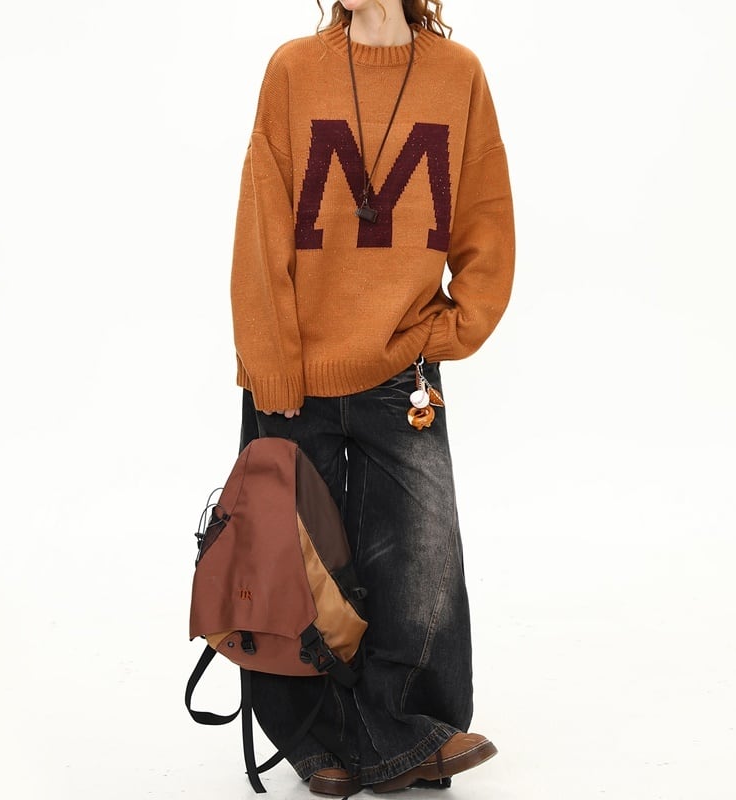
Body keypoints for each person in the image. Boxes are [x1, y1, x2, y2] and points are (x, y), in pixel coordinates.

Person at [231, 0, 515, 795]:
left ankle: (407, 730)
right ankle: (313, 740)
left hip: (402, 368)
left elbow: (485, 216)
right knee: (298, 572)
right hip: (296, 373)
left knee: (423, 562)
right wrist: (273, 368)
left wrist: (456, 327)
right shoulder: (295, 68)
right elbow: (261, 225)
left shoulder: (458, 76)